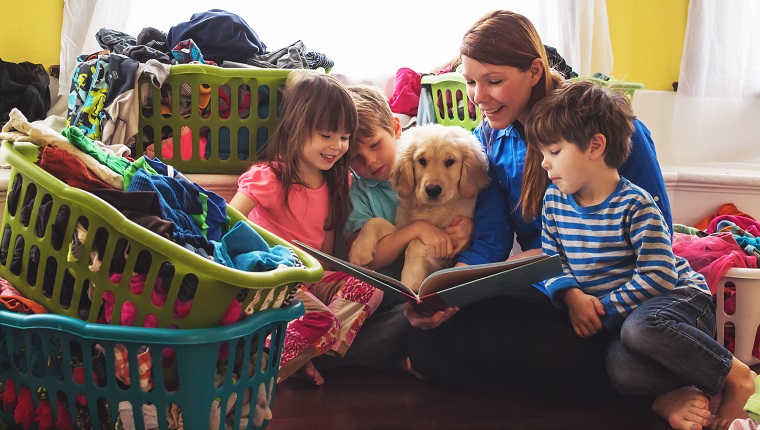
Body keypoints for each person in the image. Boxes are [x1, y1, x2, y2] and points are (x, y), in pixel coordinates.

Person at [405, 10, 672, 396]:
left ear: (533, 71)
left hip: (618, 288)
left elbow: (658, 229)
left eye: (494, 81)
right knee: (427, 345)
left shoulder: (606, 126)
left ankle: (616, 372)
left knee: (632, 366)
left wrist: (586, 294)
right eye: (470, 83)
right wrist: (448, 296)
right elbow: (492, 239)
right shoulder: (488, 139)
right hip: (553, 286)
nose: (478, 97)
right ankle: (600, 374)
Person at [526, 79, 756, 430]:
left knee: (639, 328)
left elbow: (659, 276)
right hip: (624, 317)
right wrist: (571, 296)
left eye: (554, 152)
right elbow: (550, 258)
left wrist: (605, 308)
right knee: (619, 370)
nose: (544, 164)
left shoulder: (635, 205)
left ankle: (735, 375)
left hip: (678, 302)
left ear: (595, 146)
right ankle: (671, 395)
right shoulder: (555, 202)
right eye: (543, 154)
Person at [228, 71, 383, 385]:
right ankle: (258, 374)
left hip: (307, 280)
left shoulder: (338, 182)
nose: (337, 146)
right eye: (326, 135)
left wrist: (324, 283)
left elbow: (324, 256)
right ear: (297, 129)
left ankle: (305, 352)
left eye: (343, 137)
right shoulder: (269, 177)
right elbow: (226, 224)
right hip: (270, 280)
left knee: (372, 286)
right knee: (320, 320)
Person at [311, 84, 473, 373]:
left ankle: (383, 356)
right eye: (356, 158)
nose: (370, 161)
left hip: (426, 291)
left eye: (375, 145)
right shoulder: (360, 193)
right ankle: (352, 355)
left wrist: (467, 227)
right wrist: (416, 230)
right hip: (383, 296)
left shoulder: (427, 163)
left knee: (438, 314)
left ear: (395, 128)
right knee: (388, 317)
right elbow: (365, 261)